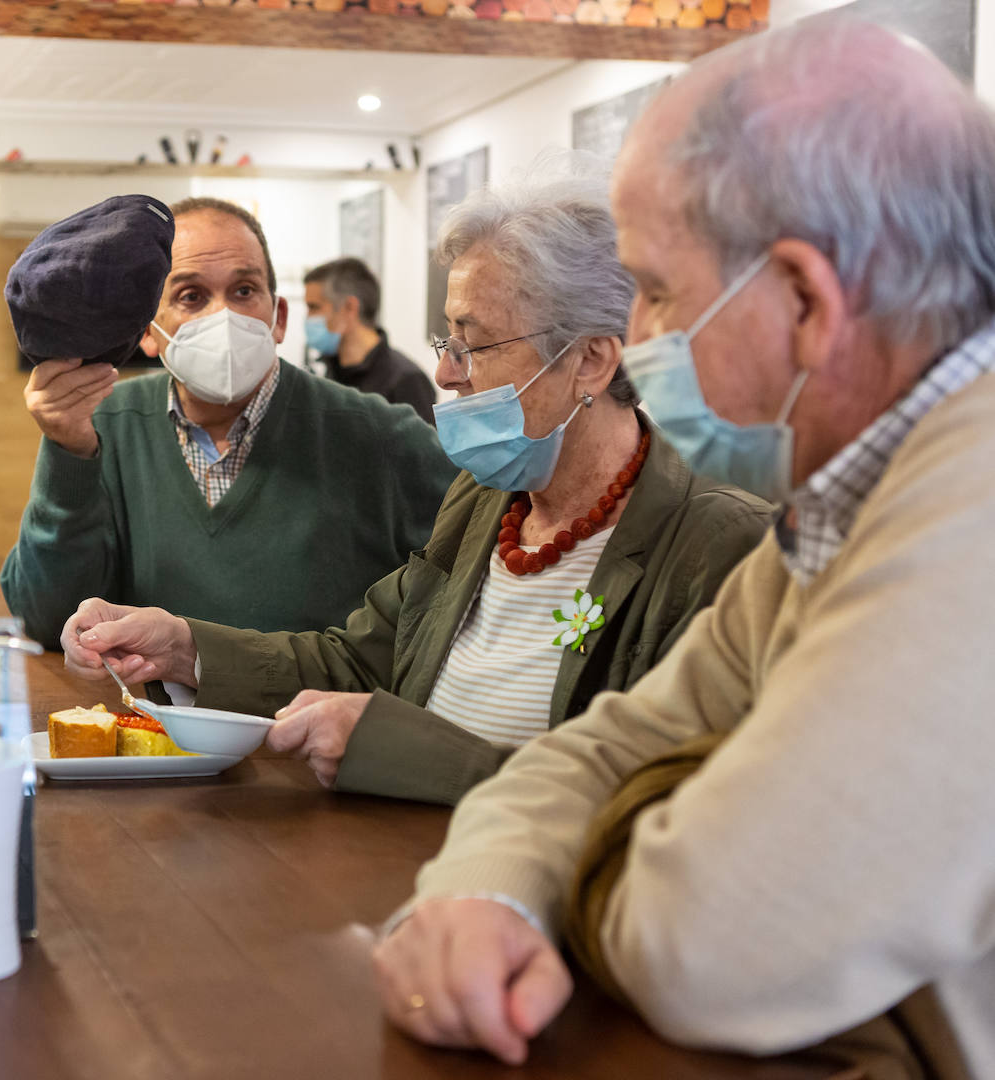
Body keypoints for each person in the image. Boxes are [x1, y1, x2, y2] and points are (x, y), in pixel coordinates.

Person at [369, 17, 995, 1076]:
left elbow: (707, 942)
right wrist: (486, 887)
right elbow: (605, 747)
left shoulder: (970, 509)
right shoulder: (843, 508)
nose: (639, 345)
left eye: (657, 292)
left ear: (805, 300)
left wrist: (574, 873)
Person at [61, 164, 770, 806]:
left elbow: (671, 802)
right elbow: (358, 656)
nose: (446, 373)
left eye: (474, 343)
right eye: (446, 340)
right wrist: (185, 646)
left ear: (589, 359)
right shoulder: (487, 499)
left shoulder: (718, 545)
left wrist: (406, 754)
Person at [1, 197, 456, 649]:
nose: (223, 317)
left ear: (278, 318)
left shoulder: (380, 436)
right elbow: (48, 620)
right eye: (190, 296)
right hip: (150, 719)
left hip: (313, 719)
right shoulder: (106, 424)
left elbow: (479, 573)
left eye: (243, 291)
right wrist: (70, 452)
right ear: (147, 332)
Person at [304, 257, 437, 423]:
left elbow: (422, 448)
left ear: (349, 307)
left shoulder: (406, 381)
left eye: (314, 307)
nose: (308, 318)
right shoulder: (333, 373)